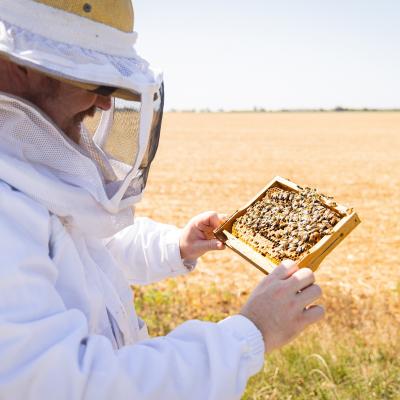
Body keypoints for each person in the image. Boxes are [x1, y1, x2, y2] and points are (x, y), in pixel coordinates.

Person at [0, 1, 324, 399]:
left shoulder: (23, 162)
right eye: (95, 82)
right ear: (18, 62)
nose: (104, 102)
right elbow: (67, 386)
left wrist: (176, 246)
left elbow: (88, 245)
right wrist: (249, 334)